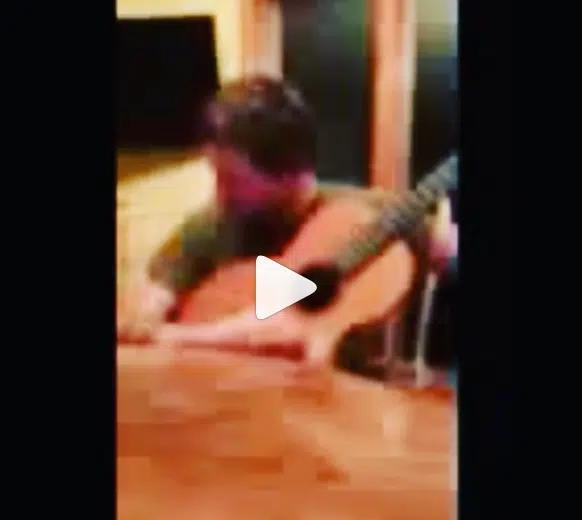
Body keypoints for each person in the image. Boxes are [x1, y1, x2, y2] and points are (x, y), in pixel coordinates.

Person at [118, 76, 457, 379]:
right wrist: (148, 311)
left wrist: (448, 256)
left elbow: (288, 333)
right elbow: (156, 291)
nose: (220, 193)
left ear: (289, 172)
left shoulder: (371, 217)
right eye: (217, 177)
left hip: (332, 406)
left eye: (233, 180)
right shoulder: (216, 222)